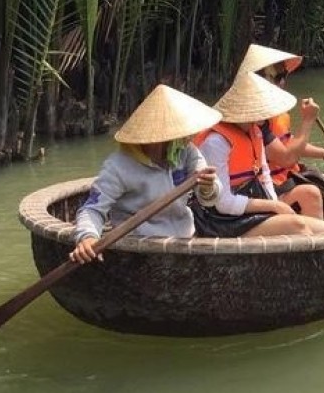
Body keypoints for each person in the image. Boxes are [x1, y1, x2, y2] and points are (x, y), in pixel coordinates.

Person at [70, 84, 223, 264]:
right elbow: (93, 208)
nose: (188, 138)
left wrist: (208, 187)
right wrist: (87, 237)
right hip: (140, 250)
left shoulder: (185, 152)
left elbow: (209, 199)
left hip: (184, 240)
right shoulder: (118, 166)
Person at [193, 71, 324, 237]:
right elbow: (222, 203)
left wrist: (273, 203)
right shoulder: (216, 143)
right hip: (222, 219)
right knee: (298, 226)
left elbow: (264, 176)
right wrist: (274, 207)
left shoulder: (256, 133)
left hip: (250, 205)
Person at [238, 43, 324, 231]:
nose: (283, 83)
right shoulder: (254, 117)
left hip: (285, 180)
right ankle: (318, 251)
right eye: (279, 77)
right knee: (310, 193)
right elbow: (287, 157)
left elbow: (289, 144)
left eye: (285, 76)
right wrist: (308, 121)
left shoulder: (274, 112)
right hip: (264, 189)